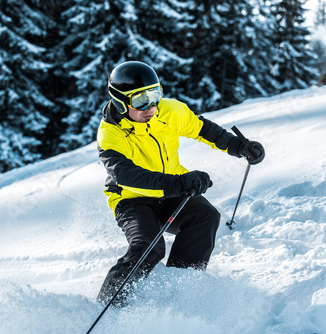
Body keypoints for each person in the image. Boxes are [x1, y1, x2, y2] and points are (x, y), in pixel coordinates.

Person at [96, 61, 265, 306]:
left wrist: (239, 146)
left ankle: (179, 292)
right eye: (140, 101)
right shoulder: (111, 134)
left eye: (155, 95)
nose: (151, 107)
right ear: (121, 103)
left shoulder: (168, 111)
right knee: (149, 247)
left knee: (206, 217)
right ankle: (108, 307)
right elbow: (127, 176)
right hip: (132, 200)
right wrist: (180, 183)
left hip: (172, 189)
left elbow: (202, 128)